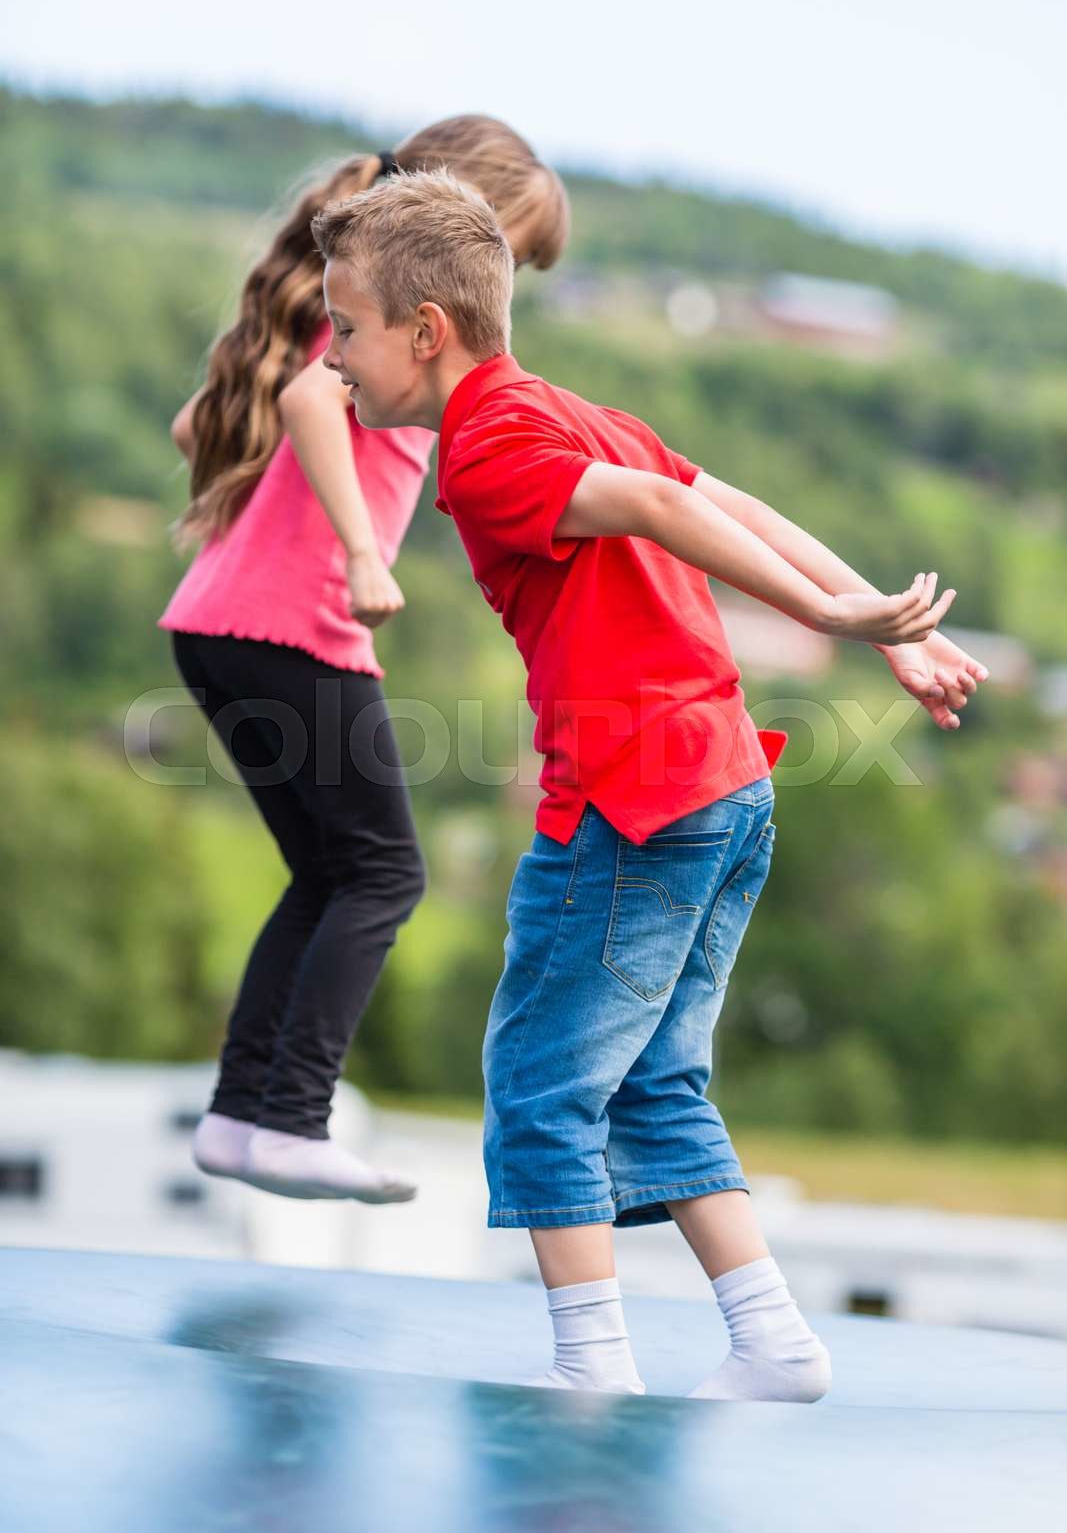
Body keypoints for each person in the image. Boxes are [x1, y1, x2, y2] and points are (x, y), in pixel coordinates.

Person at [310, 168, 988, 1396]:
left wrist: (834, 613)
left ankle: (589, 1368)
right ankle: (774, 1340)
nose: (334, 355)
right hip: (724, 788)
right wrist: (877, 623)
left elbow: (649, 506)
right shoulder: (570, 408)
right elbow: (715, 496)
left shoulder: (486, 447)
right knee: (653, 1080)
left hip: (634, 802)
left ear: (426, 331)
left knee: (536, 1084)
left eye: (346, 328)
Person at [159, 121, 569, 1204]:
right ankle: (291, 1117)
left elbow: (194, 422)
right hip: (292, 625)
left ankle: (243, 1119)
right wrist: (353, 549)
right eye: (508, 258)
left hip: (218, 622)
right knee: (386, 872)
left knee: (330, 872)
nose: (507, 290)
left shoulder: (336, 319)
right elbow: (302, 403)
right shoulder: (373, 339)